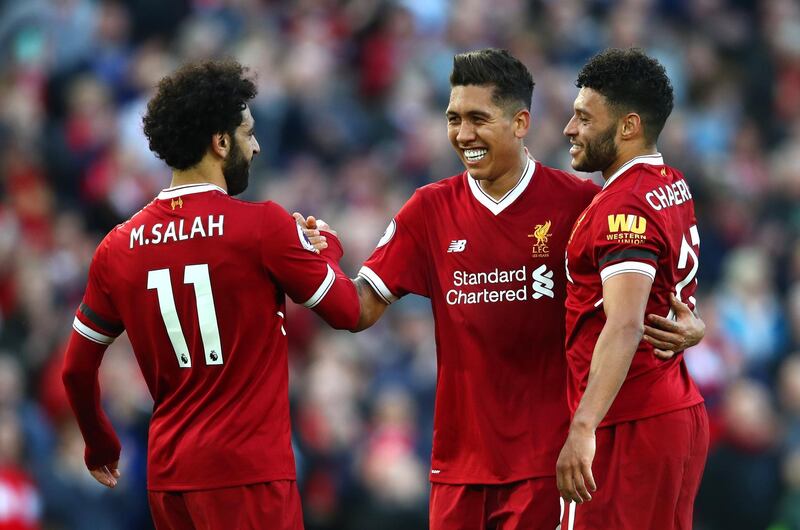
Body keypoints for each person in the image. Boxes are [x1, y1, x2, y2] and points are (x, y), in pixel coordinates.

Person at [299, 48, 703, 530]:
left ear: (520, 123)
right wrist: (317, 262)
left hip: (550, 466)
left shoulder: (581, 204)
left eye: (477, 118)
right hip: (457, 470)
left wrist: (692, 325)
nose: (463, 134)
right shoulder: (428, 211)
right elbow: (357, 310)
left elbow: (643, 295)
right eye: (453, 119)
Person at [61, 59, 360, 530]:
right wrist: (328, 249)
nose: (257, 146)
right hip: (249, 476)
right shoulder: (263, 227)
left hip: (169, 479)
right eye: (248, 133)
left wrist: (100, 443)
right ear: (221, 142)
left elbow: (76, 369)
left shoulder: (117, 246)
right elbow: (348, 311)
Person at [556, 48, 708, 529]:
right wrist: (697, 328)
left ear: (627, 127)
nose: (569, 128)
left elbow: (624, 324)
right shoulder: (670, 181)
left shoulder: (625, 206)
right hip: (672, 407)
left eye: (583, 117)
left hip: (628, 422)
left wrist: (582, 426)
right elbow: (669, 295)